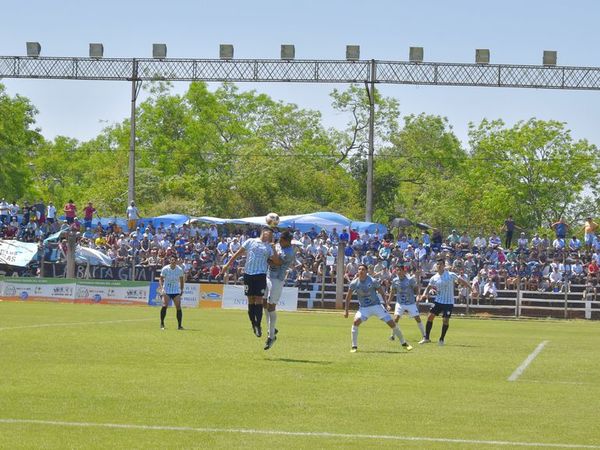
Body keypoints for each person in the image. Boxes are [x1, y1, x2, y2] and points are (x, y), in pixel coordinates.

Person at [223, 227, 280, 338]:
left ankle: (258, 325)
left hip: (261, 275)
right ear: (264, 232)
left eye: (271, 234)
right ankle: (253, 324)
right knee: (250, 299)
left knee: (259, 299)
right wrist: (227, 265)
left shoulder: (269, 247)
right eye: (269, 232)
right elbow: (237, 254)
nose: (270, 235)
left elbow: (277, 262)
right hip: (248, 273)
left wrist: (274, 250)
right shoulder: (250, 241)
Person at [344, 264, 413, 353]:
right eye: (359, 269)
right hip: (364, 308)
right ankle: (354, 346)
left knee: (391, 323)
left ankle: (404, 343)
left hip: (376, 306)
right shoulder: (354, 283)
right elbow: (348, 297)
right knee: (355, 322)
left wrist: (386, 304)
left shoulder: (372, 281)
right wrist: (346, 310)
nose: (361, 271)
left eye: (363, 269)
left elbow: (382, 292)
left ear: (366, 271)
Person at [418, 258, 471, 346]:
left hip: (448, 302)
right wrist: (424, 294)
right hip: (438, 301)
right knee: (430, 317)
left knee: (445, 320)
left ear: (443, 265)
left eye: (440, 264)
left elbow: (461, 281)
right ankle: (426, 338)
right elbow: (429, 287)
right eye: (437, 264)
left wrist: (471, 288)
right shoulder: (434, 277)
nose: (438, 266)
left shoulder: (451, 275)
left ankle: (441, 339)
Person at [263, 230, 295, 350]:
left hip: (277, 279)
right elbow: (270, 257)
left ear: (287, 241)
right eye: (279, 239)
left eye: (282, 240)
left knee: (271, 306)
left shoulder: (290, 252)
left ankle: (271, 336)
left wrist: (271, 255)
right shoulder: (278, 245)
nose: (279, 241)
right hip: (268, 276)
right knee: (264, 303)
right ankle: (272, 328)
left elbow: (276, 262)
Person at [387, 264, 426, 342]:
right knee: (396, 319)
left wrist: (418, 296)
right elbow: (392, 292)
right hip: (400, 303)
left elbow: (416, 288)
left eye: (399, 270)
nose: (397, 272)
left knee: (417, 318)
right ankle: (393, 335)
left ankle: (425, 335)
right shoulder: (395, 280)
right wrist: (388, 302)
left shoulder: (410, 279)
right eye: (396, 270)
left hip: (410, 303)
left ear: (403, 271)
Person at [159, 255, 185, 330]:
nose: (173, 261)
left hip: (176, 290)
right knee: (164, 305)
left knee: (178, 306)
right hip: (167, 290)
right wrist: (162, 289)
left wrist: (181, 289)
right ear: (170, 261)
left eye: (174, 260)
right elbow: (160, 279)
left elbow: (181, 280)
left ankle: (179, 326)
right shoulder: (165, 269)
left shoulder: (179, 269)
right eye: (172, 260)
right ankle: (162, 323)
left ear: (176, 261)